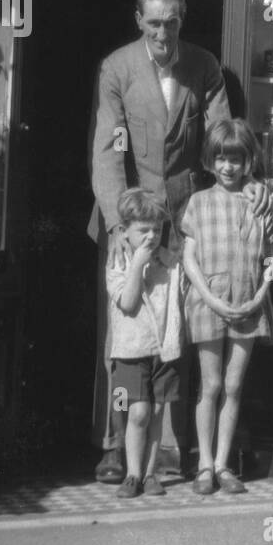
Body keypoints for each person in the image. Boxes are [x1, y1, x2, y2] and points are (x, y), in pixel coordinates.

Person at [88, 0, 267, 483]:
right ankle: (115, 445)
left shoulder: (203, 66)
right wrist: (121, 224)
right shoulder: (117, 69)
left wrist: (247, 182)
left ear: (182, 19)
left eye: (171, 22)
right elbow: (109, 151)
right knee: (125, 328)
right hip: (131, 219)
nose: (162, 33)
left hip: (186, 216)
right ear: (138, 21)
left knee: (177, 327)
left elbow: (221, 141)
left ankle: (168, 448)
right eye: (153, 23)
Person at [180, 118, 273, 495]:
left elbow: (271, 259)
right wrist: (208, 296)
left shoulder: (260, 203)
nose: (227, 166)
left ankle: (223, 464)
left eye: (235, 158)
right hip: (209, 303)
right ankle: (203, 464)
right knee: (212, 383)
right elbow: (189, 258)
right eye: (220, 158)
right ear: (210, 160)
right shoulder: (199, 203)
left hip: (248, 303)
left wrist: (259, 295)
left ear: (247, 160)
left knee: (234, 385)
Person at [105, 189, 183, 498]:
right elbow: (128, 301)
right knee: (136, 412)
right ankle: (132, 472)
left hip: (163, 349)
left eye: (157, 229)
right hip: (131, 350)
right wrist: (137, 262)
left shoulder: (168, 262)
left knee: (157, 411)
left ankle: (150, 474)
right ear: (125, 231)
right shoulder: (118, 262)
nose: (151, 236)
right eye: (143, 230)